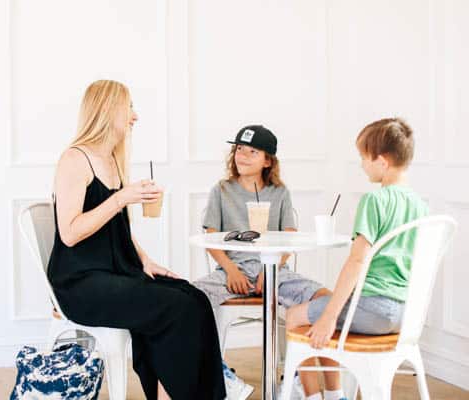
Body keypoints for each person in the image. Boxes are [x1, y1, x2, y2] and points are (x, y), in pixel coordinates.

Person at [47, 80, 226, 400]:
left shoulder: (113, 159)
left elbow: (116, 230)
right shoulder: (75, 159)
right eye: (128, 107)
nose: (135, 116)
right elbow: (70, 234)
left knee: (194, 297)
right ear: (106, 109)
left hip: (116, 272)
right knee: (173, 307)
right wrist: (121, 198)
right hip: (80, 283)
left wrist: (145, 261)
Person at [285, 117, 429, 400]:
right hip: (404, 314)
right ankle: (336, 395)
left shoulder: (375, 201)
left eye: (364, 157)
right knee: (321, 306)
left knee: (294, 317)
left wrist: (328, 317)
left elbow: (357, 262)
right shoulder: (420, 205)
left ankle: (317, 397)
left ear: (382, 160)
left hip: (373, 309)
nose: (362, 164)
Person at [193, 125, 330, 399]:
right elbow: (210, 236)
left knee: (325, 297)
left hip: (276, 271)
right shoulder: (221, 190)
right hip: (233, 271)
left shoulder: (280, 192)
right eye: (239, 149)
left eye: (251, 152)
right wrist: (230, 269)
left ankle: (297, 376)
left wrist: (273, 268)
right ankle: (218, 373)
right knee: (191, 300)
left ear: (267, 160)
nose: (242, 156)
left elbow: (289, 236)